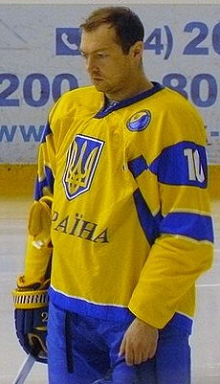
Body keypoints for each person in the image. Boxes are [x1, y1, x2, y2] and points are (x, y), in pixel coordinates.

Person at [13, 6, 214, 384]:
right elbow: (45, 207)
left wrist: (148, 316)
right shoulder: (71, 109)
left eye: (102, 55)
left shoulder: (171, 120)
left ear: (135, 52)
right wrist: (33, 287)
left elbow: (188, 236)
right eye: (86, 56)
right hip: (67, 312)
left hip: (134, 319)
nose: (91, 67)